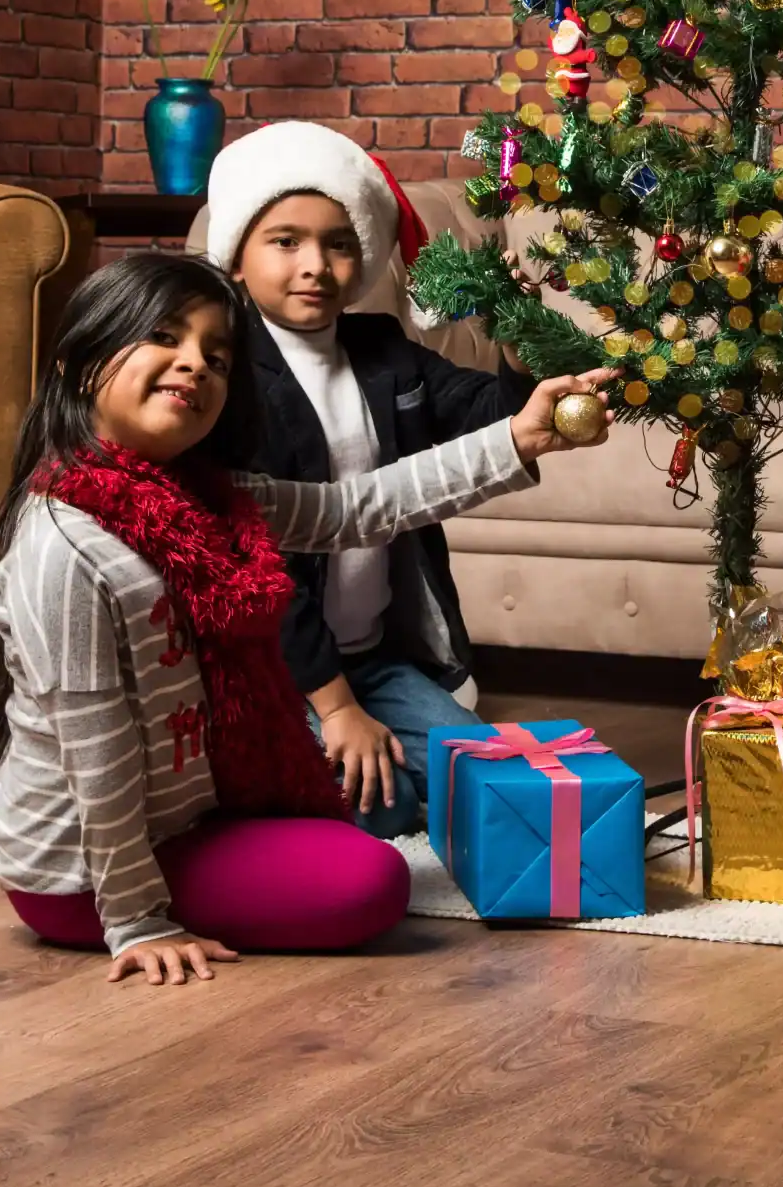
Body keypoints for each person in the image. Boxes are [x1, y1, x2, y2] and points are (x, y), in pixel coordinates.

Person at [0, 251, 611, 986]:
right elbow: (96, 751)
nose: (195, 364)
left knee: (363, 837)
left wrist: (516, 438)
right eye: (165, 337)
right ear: (83, 368)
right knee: (372, 881)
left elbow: (358, 508)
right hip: (81, 873)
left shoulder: (208, 496)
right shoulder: (65, 543)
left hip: (183, 821)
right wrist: (139, 919)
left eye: (216, 354)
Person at [201, 123, 534, 838]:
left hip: (376, 660)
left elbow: (492, 415)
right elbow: (266, 572)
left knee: (493, 775)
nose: (315, 264)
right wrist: (337, 710)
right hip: (280, 674)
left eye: (337, 243)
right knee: (386, 807)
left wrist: (518, 349)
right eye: (285, 241)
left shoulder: (381, 347)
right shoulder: (228, 378)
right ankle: (287, 769)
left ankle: (370, 756)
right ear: (235, 258)